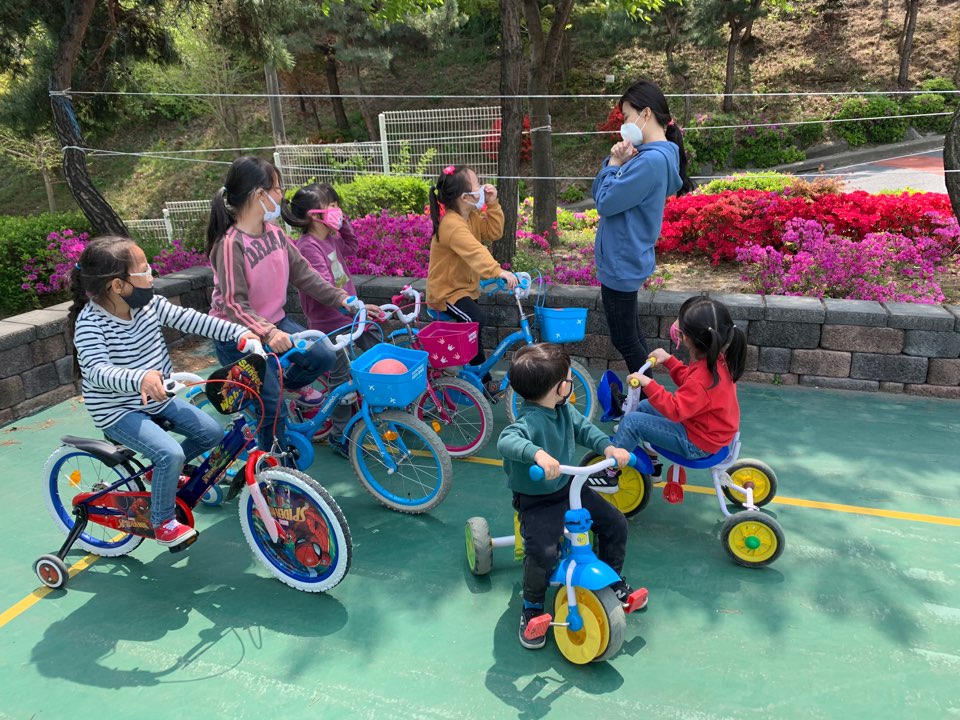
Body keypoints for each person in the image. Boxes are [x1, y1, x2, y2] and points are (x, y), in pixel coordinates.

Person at [68, 236, 258, 548]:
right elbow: (96, 370)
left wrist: (239, 332)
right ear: (118, 285)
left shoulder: (150, 306)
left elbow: (194, 320)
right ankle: (162, 522)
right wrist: (139, 378)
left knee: (211, 433)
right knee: (171, 453)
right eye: (144, 270)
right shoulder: (91, 323)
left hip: (157, 398)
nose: (151, 276)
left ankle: (160, 474)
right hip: (118, 410)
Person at [205, 156, 357, 454]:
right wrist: (269, 333)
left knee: (323, 355)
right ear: (258, 194)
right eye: (277, 188)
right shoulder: (230, 244)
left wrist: (341, 298)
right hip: (239, 334)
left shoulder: (275, 233)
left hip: (274, 323)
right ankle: (273, 464)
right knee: (272, 409)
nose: (281, 195)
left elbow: (305, 275)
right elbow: (235, 303)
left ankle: (283, 386)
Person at [497, 343, 643, 650]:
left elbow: (586, 431)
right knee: (542, 552)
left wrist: (609, 448)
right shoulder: (528, 422)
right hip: (536, 499)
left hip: (568, 489)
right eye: (568, 378)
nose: (571, 382)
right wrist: (537, 454)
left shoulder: (564, 411)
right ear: (558, 388)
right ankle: (533, 606)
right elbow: (507, 441)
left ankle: (611, 580)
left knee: (615, 523)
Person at [593, 80, 695, 384]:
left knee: (626, 339)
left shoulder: (650, 161)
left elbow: (604, 202)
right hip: (626, 257)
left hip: (621, 261)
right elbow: (602, 195)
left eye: (627, 116)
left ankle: (646, 396)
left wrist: (613, 163)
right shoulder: (651, 156)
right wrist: (613, 163)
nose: (624, 123)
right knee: (631, 336)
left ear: (645, 113)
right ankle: (647, 396)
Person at [281, 182, 385, 458]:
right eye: (333, 206)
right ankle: (340, 434)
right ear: (315, 215)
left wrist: (343, 223)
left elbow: (352, 245)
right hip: (330, 323)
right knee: (341, 381)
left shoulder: (330, 238)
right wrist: (353, 307)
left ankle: (382, 401)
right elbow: (325, 287)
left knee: (376, 346)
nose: (338, 210)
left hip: (351, 315)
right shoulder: (308, 246)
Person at [604, 297, 746, 477]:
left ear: (686, 337)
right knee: (646, 406)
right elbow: (692, 384)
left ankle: (609, 474)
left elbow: (676, 410)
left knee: (632, 422)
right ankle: (652, 463)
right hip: (705, 430)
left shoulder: (703, 377)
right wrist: (670, 362)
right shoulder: (715, 359)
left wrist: (649, 384)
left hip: (697, 444)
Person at [425, 164, 517, 395]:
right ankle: (466, 376)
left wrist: (493, 204)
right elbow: (475, 251)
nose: (482, 187)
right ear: (465, 197)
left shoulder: (471, 216)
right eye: (477, 183)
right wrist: (497, 271)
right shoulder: (452, 224)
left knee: (474, 331)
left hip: (463, 290)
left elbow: (493, 232)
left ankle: (479, 381)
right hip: (446, 293)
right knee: (475, 321)